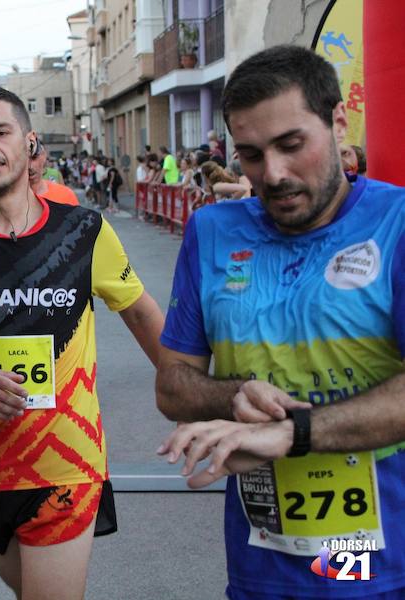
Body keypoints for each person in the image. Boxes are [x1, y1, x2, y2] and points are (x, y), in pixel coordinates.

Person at [155, 45, 405, 598]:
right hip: (260, 565)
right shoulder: (213, 232)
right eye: (250, 154)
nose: (273, 174)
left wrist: (291, 435)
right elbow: (173, 384)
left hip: (379, 563)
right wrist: (235, 395)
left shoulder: (397, 223)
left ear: (338, 121)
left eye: (292, 145)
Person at [0, 86, 164, 599]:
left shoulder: (83, 230)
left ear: (29, 142)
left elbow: (141, 312)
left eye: (1, 132)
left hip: (65, 464)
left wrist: (191, 389)